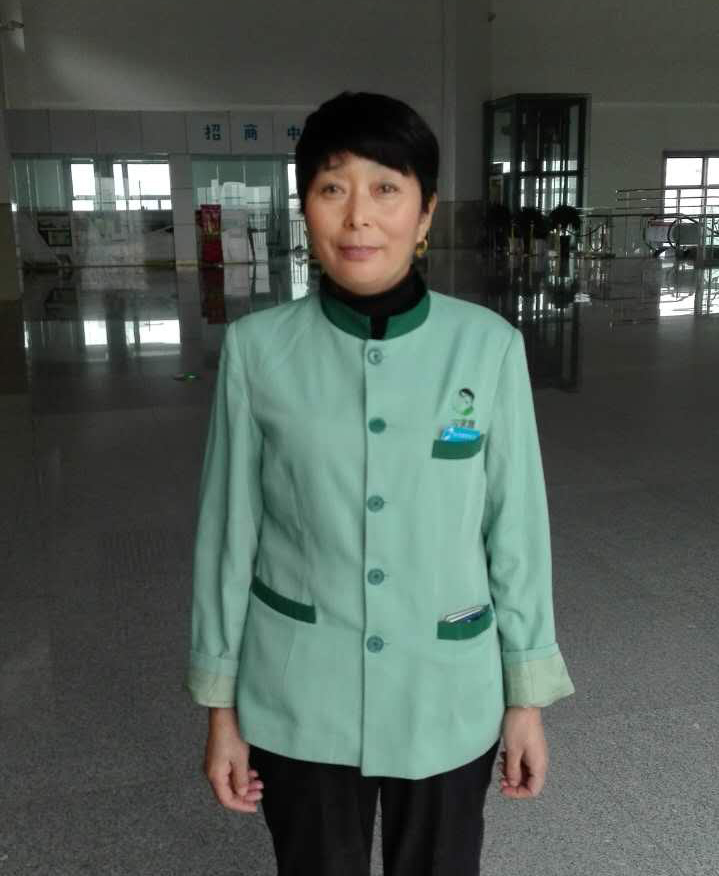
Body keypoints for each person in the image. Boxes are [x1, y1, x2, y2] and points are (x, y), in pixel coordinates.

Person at [184, 90, 576, 875]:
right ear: (305, 208)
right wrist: (220, 708)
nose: (358, 217)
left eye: (386, 189)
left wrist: (524, 699)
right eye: (332, 188)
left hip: (446, 689)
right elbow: (229, 534)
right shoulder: (258, 351)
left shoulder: (487, 347)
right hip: (301, 692)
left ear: (425, 213)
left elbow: (515, 529)